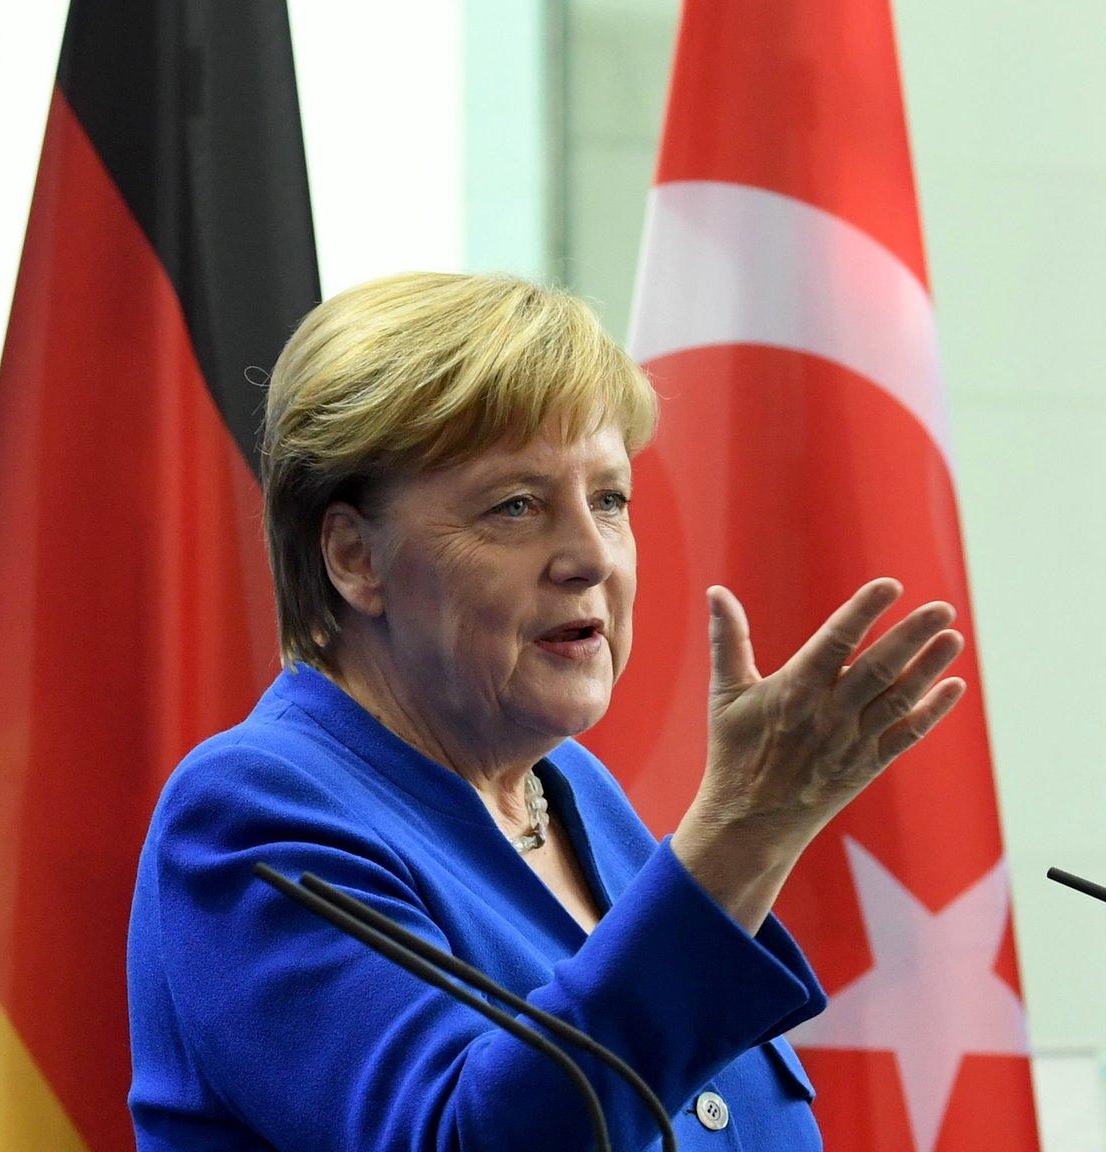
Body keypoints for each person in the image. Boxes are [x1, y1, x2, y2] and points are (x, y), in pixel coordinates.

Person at [127, 272, 969, 1150]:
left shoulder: (573, 791)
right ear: (353, 557)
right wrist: (745, 831)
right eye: (517, 506)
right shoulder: (252, 816)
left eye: (608, 499)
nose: (590, 557)